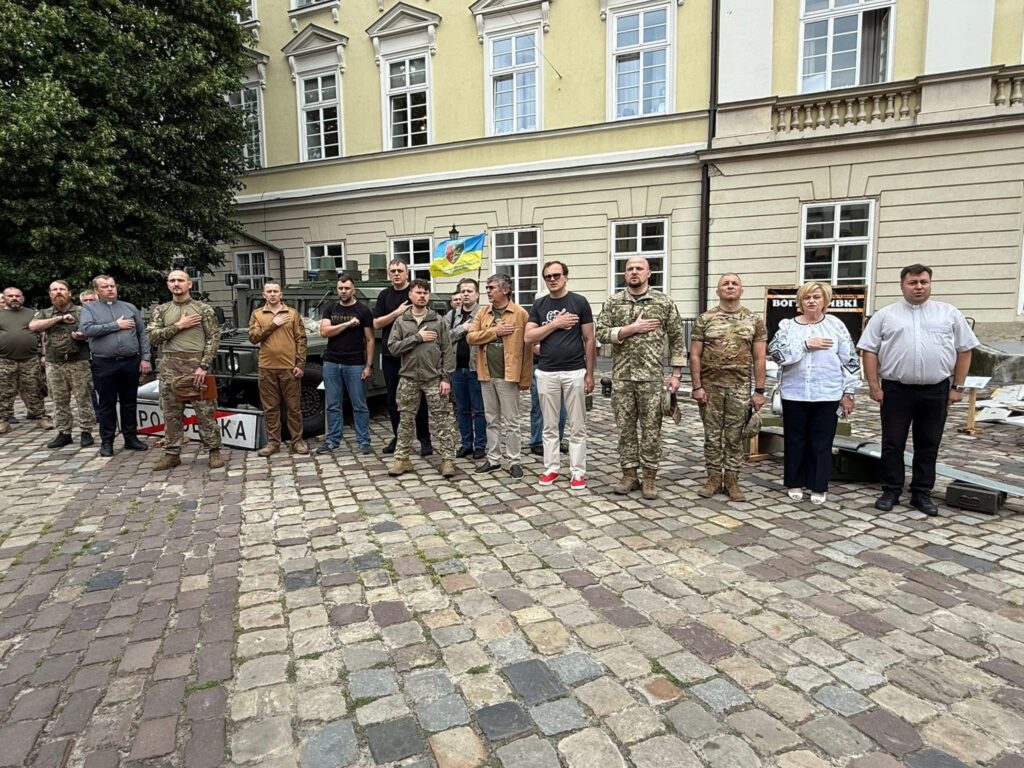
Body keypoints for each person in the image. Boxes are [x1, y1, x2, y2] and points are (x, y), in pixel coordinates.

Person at [858, 264, 979, 517]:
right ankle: (891, 490)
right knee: (892, 442)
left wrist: (957, 387)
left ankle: (921, 493)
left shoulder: (948, 313)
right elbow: (869, 350)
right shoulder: (885, 315)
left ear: (930, 284)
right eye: (913, 282)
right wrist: (873, 385)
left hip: (936, 390)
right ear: (902, 286)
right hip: (896, 390)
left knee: (928, 443)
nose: (919, 287)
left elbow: (965, 349)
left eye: (924, 282)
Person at [595, 257, 686, 499]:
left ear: (648, 273)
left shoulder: (663, 302)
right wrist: (630, 329)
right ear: (625, 274)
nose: (634, 272)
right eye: (630, 269)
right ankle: (629, 475)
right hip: (622, 378)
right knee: (625, 429)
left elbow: (677, 339)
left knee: (651, 430)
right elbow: (600, 333)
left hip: (651, 379)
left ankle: (649, 477)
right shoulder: (614, 302)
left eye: (639, 268)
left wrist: (676, 374)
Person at [768, 282, 860, 505]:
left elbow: (849, 359)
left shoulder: (835, 326)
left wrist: (848, 392)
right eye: (807, 297)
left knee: (822, 441)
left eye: (816, 297)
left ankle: (818, 485)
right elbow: (778, 354)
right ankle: (794, 481)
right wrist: (805, 345)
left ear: (825, 301)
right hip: (795, 393)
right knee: (795, 440)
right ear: (800, 301)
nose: (811, 301)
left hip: (827, 393)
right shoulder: (788, 326)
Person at [690, 273, 767, 501]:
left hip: (739, 388)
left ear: (741, 290)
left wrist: (759, 390)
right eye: (725, 283)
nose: (730, 286)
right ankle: (714, 478)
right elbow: (695, 355)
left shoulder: (754, 320)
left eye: (735, 283)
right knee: (712, 436)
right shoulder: (705, 319)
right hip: (710, 388)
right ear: (718, 291)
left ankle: (732, 480)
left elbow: (760, 358)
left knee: (735, 436)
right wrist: (697, 386)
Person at [525, 261, 596, 491]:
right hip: (546, 371)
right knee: (549, 425)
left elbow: (589, 339)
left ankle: (577, 472)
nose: (552, 279)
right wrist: (555, 324)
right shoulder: (539, 304)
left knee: (577, 425)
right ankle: (551, 467)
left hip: (574, 370)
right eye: (548, 276)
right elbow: (529, 337)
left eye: (556, 275)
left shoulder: (579, 302)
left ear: (566, 276)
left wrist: (590, 374)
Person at [146, 270, 224, 470]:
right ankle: (172, 453)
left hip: (196, 364)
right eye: (172, 280)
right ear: (167, 284)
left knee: (205, 411)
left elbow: (213, 338)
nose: (176, 283)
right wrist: (178, 325)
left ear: (189, 284)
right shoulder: (162, 310)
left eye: (180, 280)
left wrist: (204, 366)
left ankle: (213, 450)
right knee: (171, 412)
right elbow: (153, 337)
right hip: (170, 366)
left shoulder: (203, 309)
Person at [385, 279, 456, 478]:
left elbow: (447, 351)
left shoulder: (438, 320)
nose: (422, 296)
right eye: (418, 292)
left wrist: (446, 378)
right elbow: (393, 347)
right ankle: (402, 459)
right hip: (408, 378)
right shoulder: (402, 321)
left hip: (434, 378)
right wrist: (417, 337)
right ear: (410, 295)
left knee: (442, 420)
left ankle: (447, 460)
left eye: (425, 293)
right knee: (405, 421)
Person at [466, 274, 533, 478]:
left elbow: (527, 349)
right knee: (491, 420)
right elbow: (471, 337)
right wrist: (495, 332)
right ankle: (494, 459)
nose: (488, 291)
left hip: (508, 376)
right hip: (486, 374)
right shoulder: (483, 312)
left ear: (505, 290)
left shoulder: (520, 313)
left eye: (492, 287)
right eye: (487, 287)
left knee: (512, 421)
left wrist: (525, 379)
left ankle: (514, 460)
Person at [79, 276, 151, 456]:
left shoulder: (129, 307)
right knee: (107, 404)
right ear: (97, 290)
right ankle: (107, 441)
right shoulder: (89, 308)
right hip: (104, 363)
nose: (110, 289)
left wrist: (146, 358)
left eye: (112, 286)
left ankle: (131, 438)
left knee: (129, 402)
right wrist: (115, 325)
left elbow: (142, 334)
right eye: (105, 286)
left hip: (129, 362)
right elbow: (87, 330)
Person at [29, 280, 96, 448]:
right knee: (59, 399)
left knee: (83, 398)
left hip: (79, 361)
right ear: (50, 294)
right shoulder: (46, 313)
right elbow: (33, 326)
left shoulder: (82, 311)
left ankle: (86, 432)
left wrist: (82, 335)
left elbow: (93, 329)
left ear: (69, 293)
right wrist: (58, 319)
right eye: (54, 290)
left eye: (62, 289)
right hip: (55, 362)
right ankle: (64, 432)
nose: (58, 292)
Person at [375, 260, 431, 456]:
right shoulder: (384, 295)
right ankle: (399, 437)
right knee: (393, 400)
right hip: (391, 354)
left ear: (407, 273)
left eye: (400, 270)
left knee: (419, 399)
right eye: (393, 271)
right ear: (389, 274)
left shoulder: (416, 292)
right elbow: (376, 323)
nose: (396, 274)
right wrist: (396, 313)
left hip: (414, 355)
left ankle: (424, 439)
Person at [248, 282, 308, 457]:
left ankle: (297, 441)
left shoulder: (292, 314)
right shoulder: (258, 314)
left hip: (289, 367)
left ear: (281, 294)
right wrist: (273, 324)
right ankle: (273, 442)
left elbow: (301, 339)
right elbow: (253, 337)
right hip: (267, 367)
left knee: (293, 407)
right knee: (270, 408)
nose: (272, 294)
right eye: (269, 291)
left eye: (275, 291)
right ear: (264, 295)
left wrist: (300, 364)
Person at [318, 276, 375, 455]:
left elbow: (370, 339)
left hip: (355, 364)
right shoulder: (330, 308)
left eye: (347, 288)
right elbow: (324, 332)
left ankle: (363, 441)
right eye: (340, 288)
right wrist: (347, 324)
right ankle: (332, 440)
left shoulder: (363, 310)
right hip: (331, 362)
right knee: (333, 404)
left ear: (353, 290)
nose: (343, 291)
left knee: (359, 405)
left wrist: (368, 365)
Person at [0, 287, 53, 434]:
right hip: (5, 360)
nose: (14, 298)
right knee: (4, 390)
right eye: (10, 296)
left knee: (35, 388)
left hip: (30, 359)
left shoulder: (32, 314)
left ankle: (41, 417)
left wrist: (44, 354)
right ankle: (3, 420)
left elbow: (43, 335)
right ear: (5, 298)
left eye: (17, 296)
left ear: (22, 298)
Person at [447, 278, 486, 460]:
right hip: (456, 369)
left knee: (478, 410)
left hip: (476, 369)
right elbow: (444, 337)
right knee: (462, 409)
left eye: (469, 291)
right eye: (463, 291)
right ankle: (466, 444)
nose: (465, 294)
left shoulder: (484, 313)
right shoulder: (452, 315)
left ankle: (480, 445)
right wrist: (462, 328)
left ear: (477, 294)